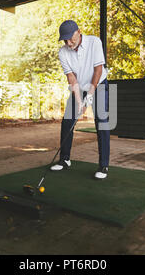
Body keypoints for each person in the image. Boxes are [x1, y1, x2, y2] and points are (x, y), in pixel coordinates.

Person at [50, 20, 110, 179]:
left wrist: (90, 95)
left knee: (102, 122)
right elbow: (71, 77)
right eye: (65, 40)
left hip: (99, 84)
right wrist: (78, 101)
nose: (68, 43)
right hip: (79, 86)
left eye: (71, 38)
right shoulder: (63, 52)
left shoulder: (94, 42)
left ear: (79, 32)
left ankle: (103, 165)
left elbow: (98, 70)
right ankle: (64, 160)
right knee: (68, 120)